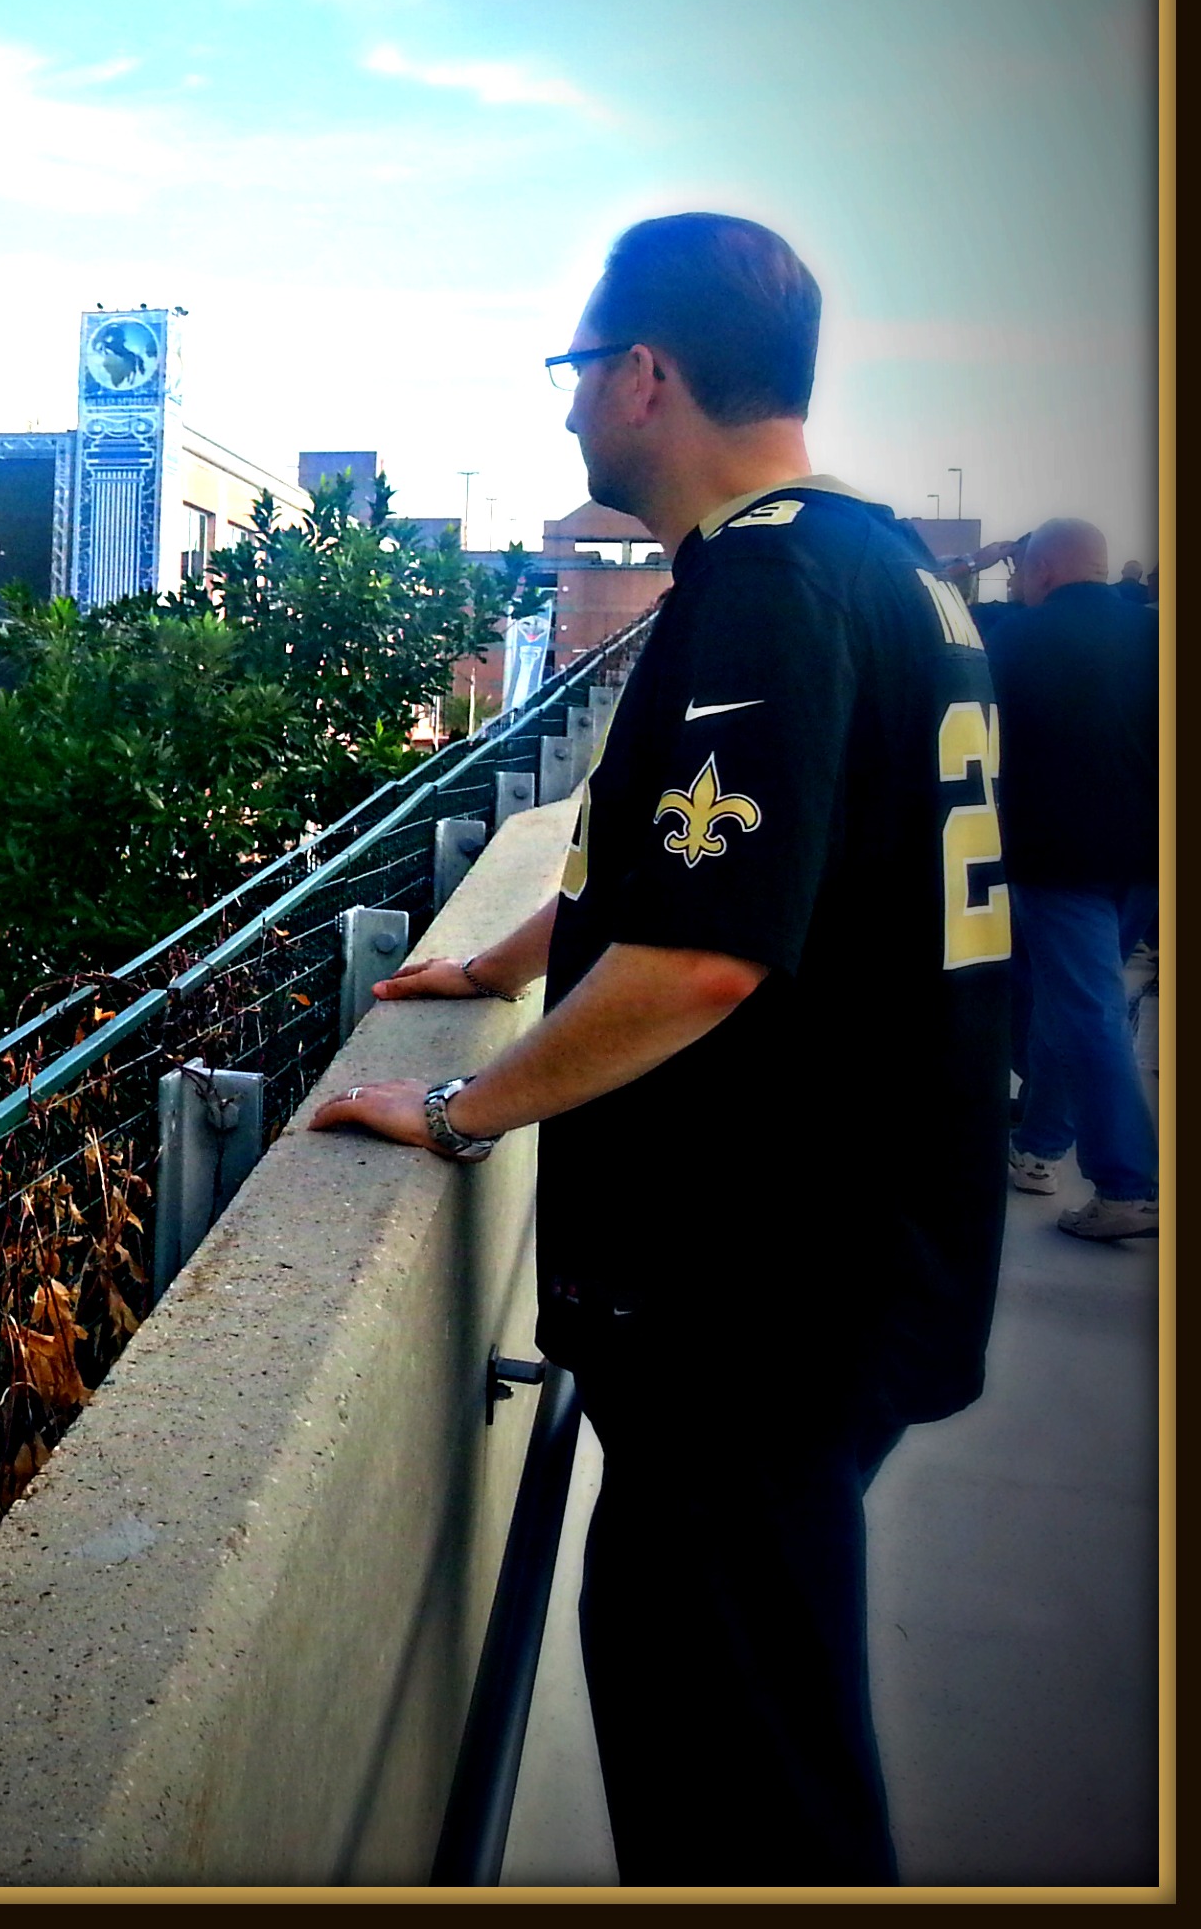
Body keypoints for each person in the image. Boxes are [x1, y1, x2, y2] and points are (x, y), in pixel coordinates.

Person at [309, 211, 1011, 1887]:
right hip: (849, 1262)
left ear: (644, 374)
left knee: (743, 1781)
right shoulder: (874, 562)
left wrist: (464, 1106)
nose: (565, 406)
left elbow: (704, 953)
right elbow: (692, 854)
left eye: (574, 369)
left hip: (764, 1298)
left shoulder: (768, 586)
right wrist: (496, 960)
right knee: (736, 1712)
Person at [983, 518, 1161, 1238]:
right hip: (1146, 864)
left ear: (1043, 571)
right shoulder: (1156, 632)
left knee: (1087, 1011)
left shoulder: (1014, 640)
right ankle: (1037, 1149)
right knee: (1070, 1004)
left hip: (1058, 862)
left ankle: (1130, 1185)